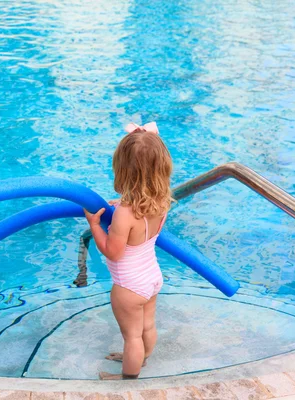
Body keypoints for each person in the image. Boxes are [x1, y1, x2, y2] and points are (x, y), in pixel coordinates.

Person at [84, 121, 173, 380]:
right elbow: (139, 220)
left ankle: (127, 379)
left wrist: (94, 225)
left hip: (129, 286)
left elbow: (112, 252)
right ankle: (141, 359)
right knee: (147, 327)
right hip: (152, 279)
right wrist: (122, 206)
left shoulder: (124, 214)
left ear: (122, 171)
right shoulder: (162, 203)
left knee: (131, 336)